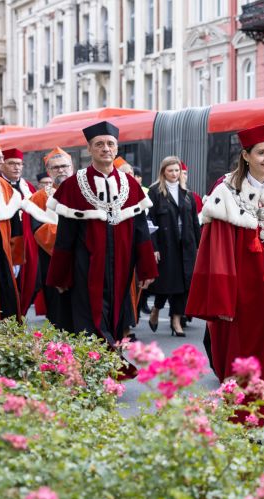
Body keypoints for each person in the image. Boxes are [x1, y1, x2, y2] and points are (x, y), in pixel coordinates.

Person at [186, 124, 264, 422]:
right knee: (245, 355)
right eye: (261, 153)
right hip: (244, 291)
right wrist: (222, 299)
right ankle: (245, 417)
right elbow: (216, 251)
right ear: (246, 155)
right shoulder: (226, 194)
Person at [45, 121, 158, 377]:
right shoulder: (74, 185)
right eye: (99, 145)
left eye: (110, 144)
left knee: (117, 317)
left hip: (121, 265)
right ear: (89, 149)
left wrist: (146, 268)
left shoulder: (130, 184)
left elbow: (141, 230)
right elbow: (65, 236)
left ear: (116, 148)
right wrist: (60, 275)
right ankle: (91, 371)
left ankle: (107, 369)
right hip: (85, 264)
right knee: (88, 316)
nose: (105, 149)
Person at [146, 156, 201, 337]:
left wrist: (200, 246)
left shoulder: (187, 193)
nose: (174, 174)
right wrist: (153, 247)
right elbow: (149, 221)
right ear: (163, 172)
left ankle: (176, 320)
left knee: (184, 285)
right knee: (166, 283)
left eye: (177, 170)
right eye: (170, 171)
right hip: (165, 245)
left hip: (186, 246)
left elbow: (194, 221)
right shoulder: (154, 192)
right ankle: (156, 308)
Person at [20, 147, 73, 329]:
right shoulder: (39, 198)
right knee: (60, 317)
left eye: (65, 166)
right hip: (54, 263)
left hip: (84, 264)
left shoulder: (86, 193)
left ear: (72, 167)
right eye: (56, 167)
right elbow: (41, 231)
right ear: (49, 171)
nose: (61, 170)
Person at [0, 148, 40, 318]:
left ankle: (19, 318)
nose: (17, 167)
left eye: (19, 164)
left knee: (30, 283)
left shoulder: (28, 187)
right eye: (12, 164)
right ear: (2, 165)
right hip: (7, 244)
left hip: (28, 245)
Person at [0, 137, 23, 319]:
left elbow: (16, 224)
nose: (1, 162)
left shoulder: (4, 187)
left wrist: (16, 258)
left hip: (2, 255)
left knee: (6, 301)